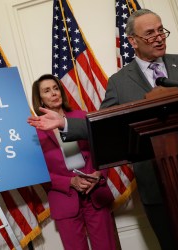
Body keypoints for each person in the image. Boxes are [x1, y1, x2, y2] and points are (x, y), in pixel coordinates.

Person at [28, 9, 178, 250]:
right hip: (157, 186)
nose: (158, 37)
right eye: (149, 34)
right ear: (132, 41)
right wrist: (64, 123)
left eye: (161, 31)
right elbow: (104, 124)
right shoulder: (119, 82)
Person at [31, 74, 117, 250]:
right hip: (64, 200)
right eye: (47, 91)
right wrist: (70, 181)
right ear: (40, 99)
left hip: (96, 195)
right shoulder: (35, 131)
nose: (54, 93)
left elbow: (103, 149)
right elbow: (37, 172)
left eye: (56, 88)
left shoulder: (82, 117)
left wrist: (98, 174)